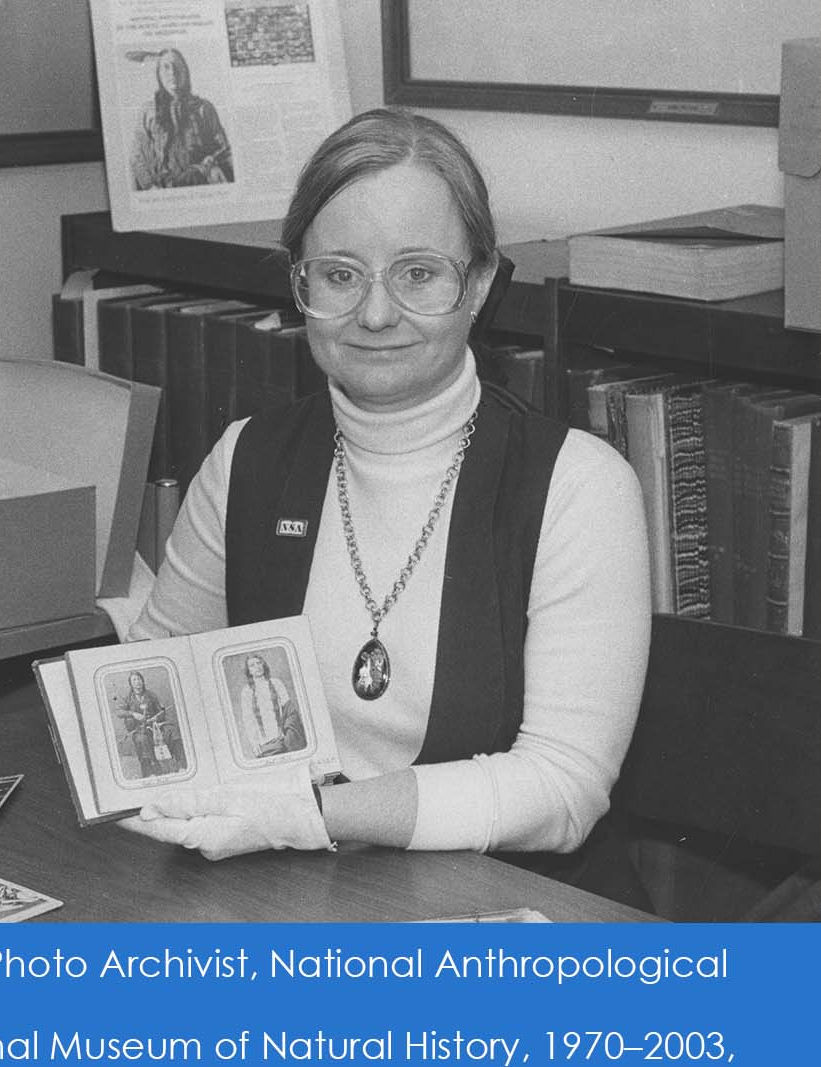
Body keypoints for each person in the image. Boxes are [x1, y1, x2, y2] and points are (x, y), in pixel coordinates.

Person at [122, 108, 651, 865]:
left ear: (478, 285)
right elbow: (154, 683)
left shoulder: (578, 486)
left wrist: (309, 816)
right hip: (287, 895)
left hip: (492, 914)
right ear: (298, 285)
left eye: (417, 273)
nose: (373, 313)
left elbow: (562, 792)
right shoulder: (246, 458)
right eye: (339, 275)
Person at [131, 48, 234, 191]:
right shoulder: (148, 112)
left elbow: (224, 149)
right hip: (160, 190)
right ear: (159, 75)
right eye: (166, 67)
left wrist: (209, 165)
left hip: (199, 187)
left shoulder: (203, 108)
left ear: (186, 72)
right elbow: (137, 156)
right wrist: (150, 186)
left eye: (177, 66)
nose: (172, 72)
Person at [237, 654, 305, 758]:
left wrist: (287, 736)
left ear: (264, 665)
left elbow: (290, 712)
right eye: (252, 665)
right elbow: (248, 720)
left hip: (283, 739)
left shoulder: (276, 683)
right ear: (249, 671)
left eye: (259, 663)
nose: (257, 667)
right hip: (265, 744)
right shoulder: (247, 691)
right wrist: (254, 744)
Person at [113, 672, 178, 779]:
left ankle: (180, 766)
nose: (137, 682)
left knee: (172, 731)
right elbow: (119, 712)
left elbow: (162, 711)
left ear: (143, 681)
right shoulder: (127, 698)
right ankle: (149, 773)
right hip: (139, 730)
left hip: (155, 727)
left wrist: (155, 718)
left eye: (139, 679)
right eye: (134, 680)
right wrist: (133, 714)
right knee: (141, 739)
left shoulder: (151, 695)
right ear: (130, 684)